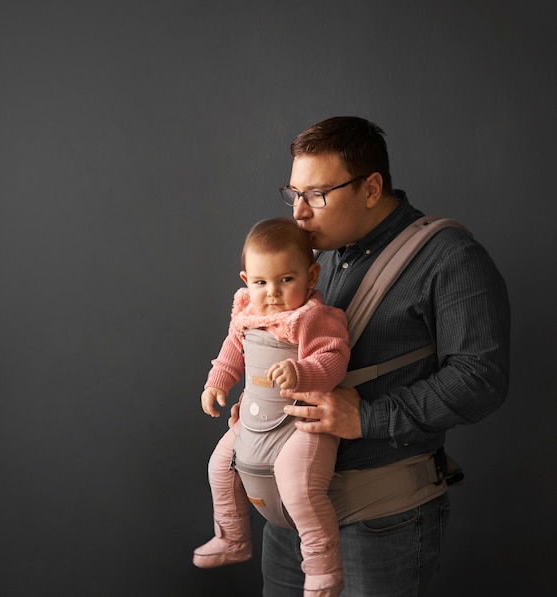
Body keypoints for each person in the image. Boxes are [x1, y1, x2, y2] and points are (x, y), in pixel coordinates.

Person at [230, 117, 510, 596]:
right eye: (292, 193)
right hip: (292, 518)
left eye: (316, 194)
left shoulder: (451, 258)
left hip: (380, 522)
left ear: (371, 187)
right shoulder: (322, 257)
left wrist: (370, 419)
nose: (299, 213)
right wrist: (266, 407)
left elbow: (480, 377)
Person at [194, 218, 351, 596]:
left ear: (311, 277)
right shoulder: (248, 312)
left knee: (298, 487)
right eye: (262, 283)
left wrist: (302, 372)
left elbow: (334, 360)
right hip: (254, 418)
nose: (273, 293)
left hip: (302, 422)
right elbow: (233, 350)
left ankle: (322, 571)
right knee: (220, 465)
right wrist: (217, 382)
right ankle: (232, 537)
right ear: (247, 281)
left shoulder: (313, 318)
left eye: (286, 280)